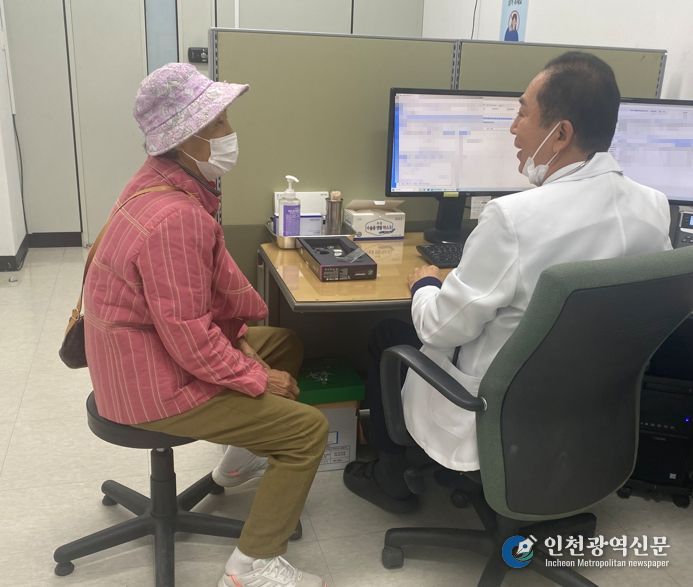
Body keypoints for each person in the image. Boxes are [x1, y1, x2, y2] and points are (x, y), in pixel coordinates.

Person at [343, 52, 672, 512]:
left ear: (561, 134)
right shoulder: (654, 206)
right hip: (588, 410)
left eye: (522, 112)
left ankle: (391, 478)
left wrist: (425, 285)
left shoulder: (514, 218)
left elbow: (440, 329)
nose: (513, 128)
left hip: (496, 406)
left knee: (388, 334)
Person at [83, 63, 328, 587]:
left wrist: (253, 355)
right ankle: (250, 567)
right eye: (218, 123)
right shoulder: (176, 218)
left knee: (281, 344)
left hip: (130, 360)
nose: (229, 132)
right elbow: (190, 338)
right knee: (307, 431)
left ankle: (237, 463)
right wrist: (257, 378)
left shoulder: (156, 180)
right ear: (186, 137)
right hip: (150, 386)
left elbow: (190, 311)